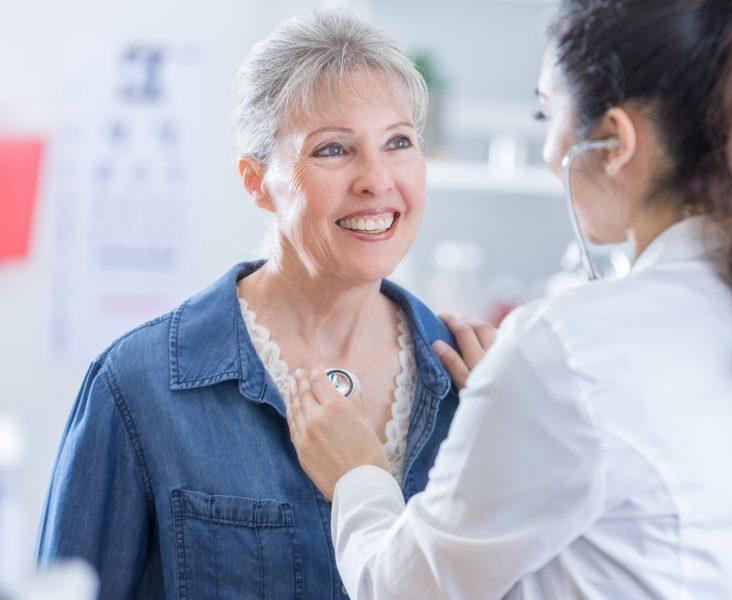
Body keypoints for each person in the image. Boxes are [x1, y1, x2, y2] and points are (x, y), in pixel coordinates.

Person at [286, 1, 732, 598]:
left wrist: (358, 476)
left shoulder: (571, 350)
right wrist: (515, 420)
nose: (553, 154)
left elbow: (402, 590)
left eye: (546, 117)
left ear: (613, 140)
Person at [36, 11, 464, 598]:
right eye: (334, 149)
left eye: (398, 142)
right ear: (256, 181)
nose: (377, 179)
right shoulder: (138, 385)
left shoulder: (472, 384)